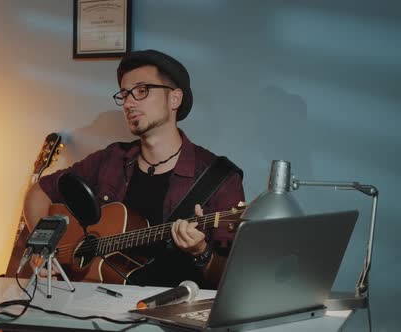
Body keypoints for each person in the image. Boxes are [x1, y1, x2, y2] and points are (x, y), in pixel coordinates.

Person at [23, 49, 245, 289]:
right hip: (90, 305)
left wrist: (200, 252)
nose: (128, 103)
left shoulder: (220, 178)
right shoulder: (110, 159)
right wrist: (43, 248)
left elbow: (234, 279)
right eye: (125, 94)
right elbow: (39, 192)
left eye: (142, 91)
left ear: (174, 99)